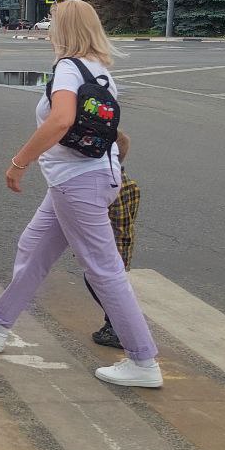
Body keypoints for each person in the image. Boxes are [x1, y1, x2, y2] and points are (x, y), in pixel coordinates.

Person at [0, 0, 162, 388]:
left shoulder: (69, 69)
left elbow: (62, 119)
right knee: (33, 246)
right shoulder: (99, 70)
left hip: (76, 183)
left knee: (104, 270)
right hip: (88, 177)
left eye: (52, 23)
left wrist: (19, 162)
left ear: (63, 29)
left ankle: (143, 360)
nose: (48, 29)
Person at [86, 131, 140, 349]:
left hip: (110, 247)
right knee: (104, 284)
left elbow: (103, 219)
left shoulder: (108, 187)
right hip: (123, 244)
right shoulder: (131, 184)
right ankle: (116, 324)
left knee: (99, 284)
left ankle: (117, 327)